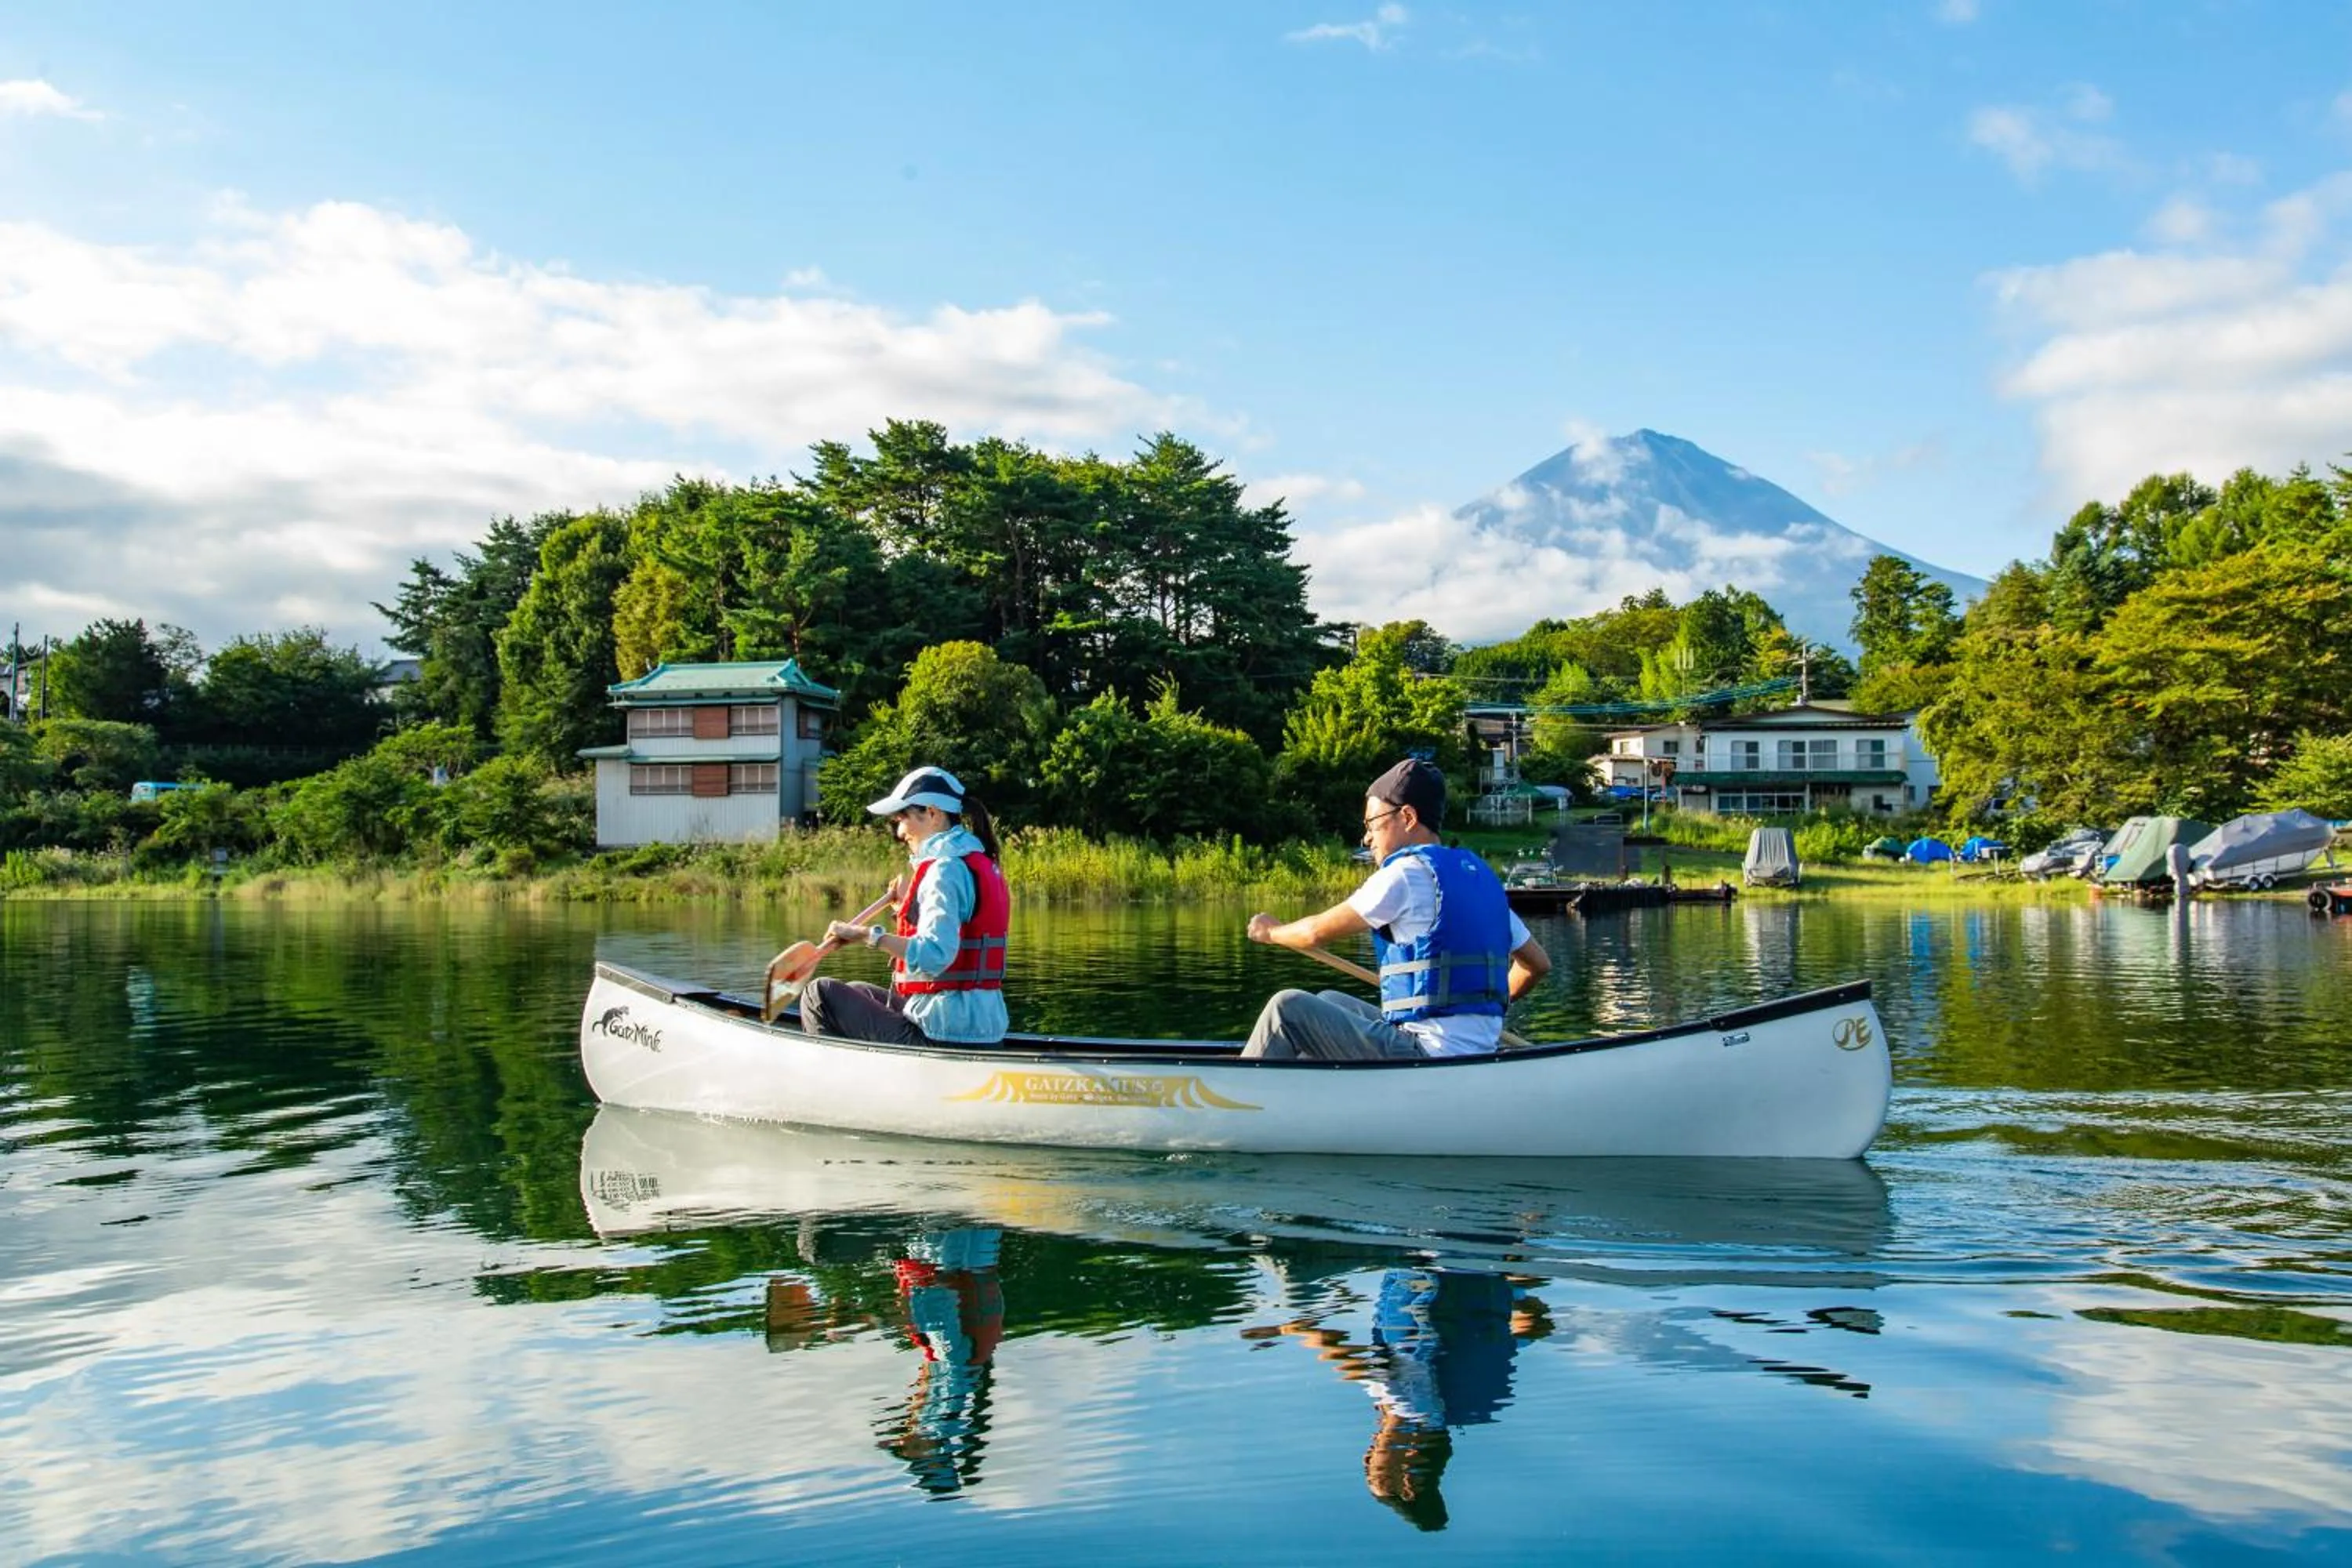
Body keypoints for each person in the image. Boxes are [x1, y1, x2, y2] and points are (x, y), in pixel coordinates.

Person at [1243, 757, 1548, 1060]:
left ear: (1408, 817)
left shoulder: (1405, 874)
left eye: (1372, 824)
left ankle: (1237, 1097)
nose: (1366, 837)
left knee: (1286, 1009)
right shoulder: (1480, 883)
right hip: (1474, 1050)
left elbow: (1313, 933)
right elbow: (1536, 965)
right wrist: (1486, 1008)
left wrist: (1271, 931)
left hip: (1423, 1052)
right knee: (1330, 1001)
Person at [800, 765, 1011, 1047]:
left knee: (819, 994)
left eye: (903, 819)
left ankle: (836, 1083)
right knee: (856, 990)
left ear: (933, 814)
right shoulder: (974, 860)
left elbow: (936, 954)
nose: (900, 832)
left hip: (945, 1033)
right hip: (977, 1026)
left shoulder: (944, 870)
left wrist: (866, 936)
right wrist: (907, 910)